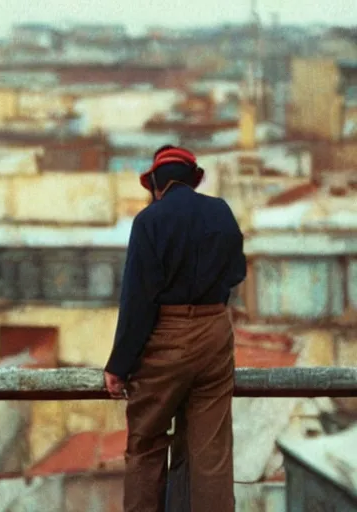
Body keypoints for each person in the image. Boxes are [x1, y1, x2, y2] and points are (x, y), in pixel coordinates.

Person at [103, 145, 247, 512]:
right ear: (193, 179)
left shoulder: (149, 221)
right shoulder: (221, 212)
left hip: (166, 336)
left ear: (155, 184)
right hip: (215, 333)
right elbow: (237, 273)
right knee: (211, 455)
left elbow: (138, 301)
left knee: (146, 443)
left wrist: (118, 366)